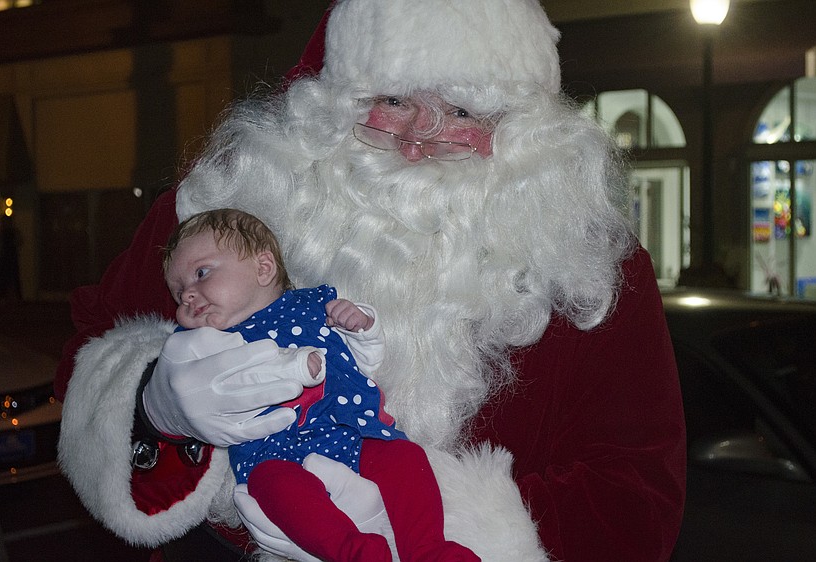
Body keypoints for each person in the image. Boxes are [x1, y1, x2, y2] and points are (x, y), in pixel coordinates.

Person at [56, 1, 687, 561]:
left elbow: (636, 500)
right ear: (335, 104)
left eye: (461, 109)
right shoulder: (224, 208)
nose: (418, 140)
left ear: (521, 133)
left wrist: (429, 530)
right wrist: (155, 409)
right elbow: (92, 345)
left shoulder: (587, 260)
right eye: (393, 100)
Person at [159, 208, 479, 561]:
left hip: (350, 431)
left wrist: (360, 325)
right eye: (179, 292)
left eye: (201, 273)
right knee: (274, 489)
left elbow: (363, 361)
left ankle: (427, 549)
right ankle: (354, 553)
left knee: (406, 457)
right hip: (274, 455)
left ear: (263, 269)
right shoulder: (206, 342)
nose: (189, 294)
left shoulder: (314, 304)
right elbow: (191, 387)